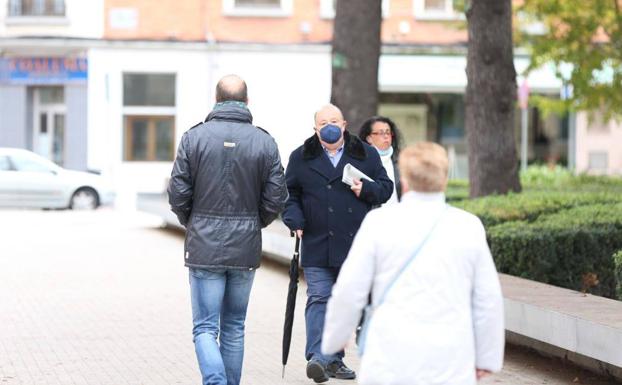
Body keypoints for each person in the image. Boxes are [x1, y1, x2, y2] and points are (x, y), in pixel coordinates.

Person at [322, 142, 505, 385]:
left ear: (404, 180)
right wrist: (487, 358)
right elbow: (487, 299)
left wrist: (336, 337)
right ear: (444, 179)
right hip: (451, 356)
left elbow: (350, 288)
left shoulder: (379, 223)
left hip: (389, 353)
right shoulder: (467, 226)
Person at [167, 75, 288, 385]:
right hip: (245, 244)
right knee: (235, 326)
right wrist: (254, 222)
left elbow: (178, 192)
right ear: (247, 102)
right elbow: (276, 196)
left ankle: (216, 381)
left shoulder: (194, 138)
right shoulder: (264, 141)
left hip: (204, 243)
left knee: (205, 327)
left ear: (216, 99)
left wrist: (192, 222)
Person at [282, 104, 393, 383]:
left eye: (334, 121)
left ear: (344, 124)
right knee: (319, 297)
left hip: (354, 243)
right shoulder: (301, 157)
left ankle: (334, 360)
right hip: (317, 241)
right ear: (315, 128)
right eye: (323, 122)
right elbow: (289, 194)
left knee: (347, 304)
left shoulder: (365, 154)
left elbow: (386, 187)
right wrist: (294, 219)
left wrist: (365, 189)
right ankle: (318, 358)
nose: (329, 126)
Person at [358, 116, 402, 204]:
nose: (386, 136)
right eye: (381, 133)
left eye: (388, 132)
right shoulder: (360, 162)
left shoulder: (401, 162)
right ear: (369, 138)